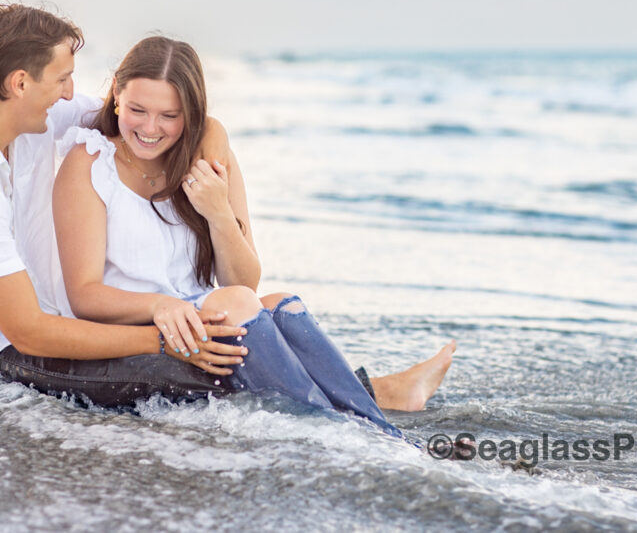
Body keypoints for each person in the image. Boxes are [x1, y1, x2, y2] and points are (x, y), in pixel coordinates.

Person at [53, 36, 455, 436]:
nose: (151, 128)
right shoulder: (89, 162)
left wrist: (217, 211)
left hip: (205, 314)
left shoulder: (202, 155)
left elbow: (243, 280)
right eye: (138, 110)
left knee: (279, 303)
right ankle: (353, 436)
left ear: (189, 114)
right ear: (117, 96)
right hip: (140, 329)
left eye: (169, 116)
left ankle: (376, 432)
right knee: (238, 303)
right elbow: (84, 295)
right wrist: (161, 306)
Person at [0, 2, 251, 407]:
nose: (70, 91)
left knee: (259, 327)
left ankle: (338, 396)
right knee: (197, 377)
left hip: (50, 327)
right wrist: (164, 339)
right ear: (20, 84)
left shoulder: (35, 119)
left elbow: (150, 118)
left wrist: (210, 148)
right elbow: (29, 333)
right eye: (63, 78)